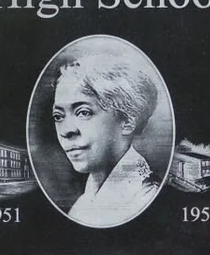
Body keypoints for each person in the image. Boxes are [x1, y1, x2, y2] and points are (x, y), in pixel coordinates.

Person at [48, 37, 163, 228]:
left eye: (83, 112)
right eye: (58, 116)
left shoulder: (145, 197)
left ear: (127, 121)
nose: (67, 130)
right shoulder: (81, 205)